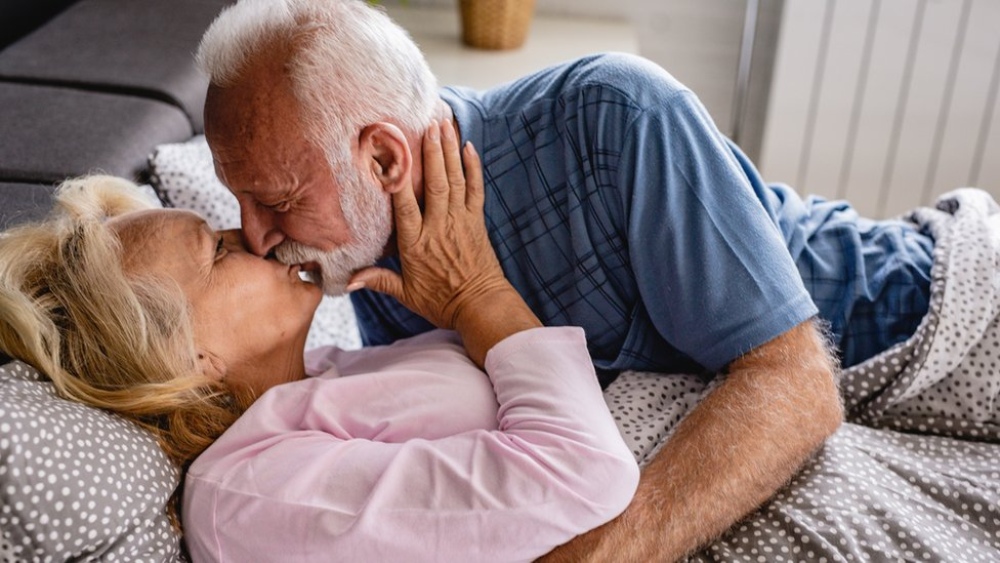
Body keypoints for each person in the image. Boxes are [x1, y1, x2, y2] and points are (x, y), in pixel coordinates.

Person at [195, 0, 851, 559]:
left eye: (277, 201)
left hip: (884, 295)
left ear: (386, 159)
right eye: (239, 201)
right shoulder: (367, 253)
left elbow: (797, 382)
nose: (255, 238)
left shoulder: (614, 115)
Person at [0, 123, 639, 561]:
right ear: (188, 359)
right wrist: (480, 296)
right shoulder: (254, 493)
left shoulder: (322, 375)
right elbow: (585, 474)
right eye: (218, 251)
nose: (255, 237)